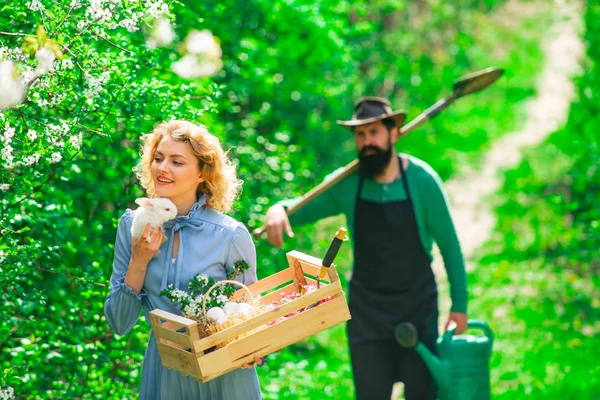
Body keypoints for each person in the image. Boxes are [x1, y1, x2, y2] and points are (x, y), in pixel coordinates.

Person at [263, 97, 468, 400]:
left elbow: (450, 248)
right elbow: (298, 209)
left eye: (373, 133)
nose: (367, 142)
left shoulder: (422, 181)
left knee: (423, 393)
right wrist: (277, 210)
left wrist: (459, 305)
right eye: (360, 135)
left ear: (393, 133)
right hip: (367, 313)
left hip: (417, 306)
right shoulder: (349, 183)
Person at [104, 120, 262, 400]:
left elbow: (249, 317)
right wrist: (139, 261)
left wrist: (256, 351)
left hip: (223, 375)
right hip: (165, 371)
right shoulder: (133, 225)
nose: (162, 168)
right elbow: (119, 322)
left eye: (177, 162)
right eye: (158, 158)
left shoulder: (230, 235)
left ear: (202, 173)